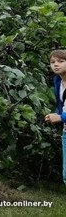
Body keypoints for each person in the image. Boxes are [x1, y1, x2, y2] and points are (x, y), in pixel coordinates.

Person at [45, 49, 66, 185]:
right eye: (52, 62)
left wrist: (61, 117)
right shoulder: (58, 81)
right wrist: (57, 115)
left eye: (61, 61)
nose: (56, 64)